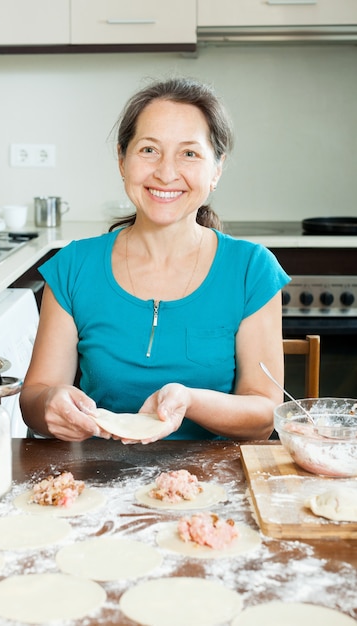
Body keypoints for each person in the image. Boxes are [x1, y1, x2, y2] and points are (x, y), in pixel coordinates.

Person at [20, 77, 290, 443]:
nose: (165, 172)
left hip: (215, 488)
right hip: (98, 483)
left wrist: (189, 400)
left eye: (189, 153)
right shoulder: (73, 266)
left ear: (216, 169)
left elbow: (263, 414)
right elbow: (34, 398)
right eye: (149, 150)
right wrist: (49, 402)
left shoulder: (251, 269)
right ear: (122, 159)